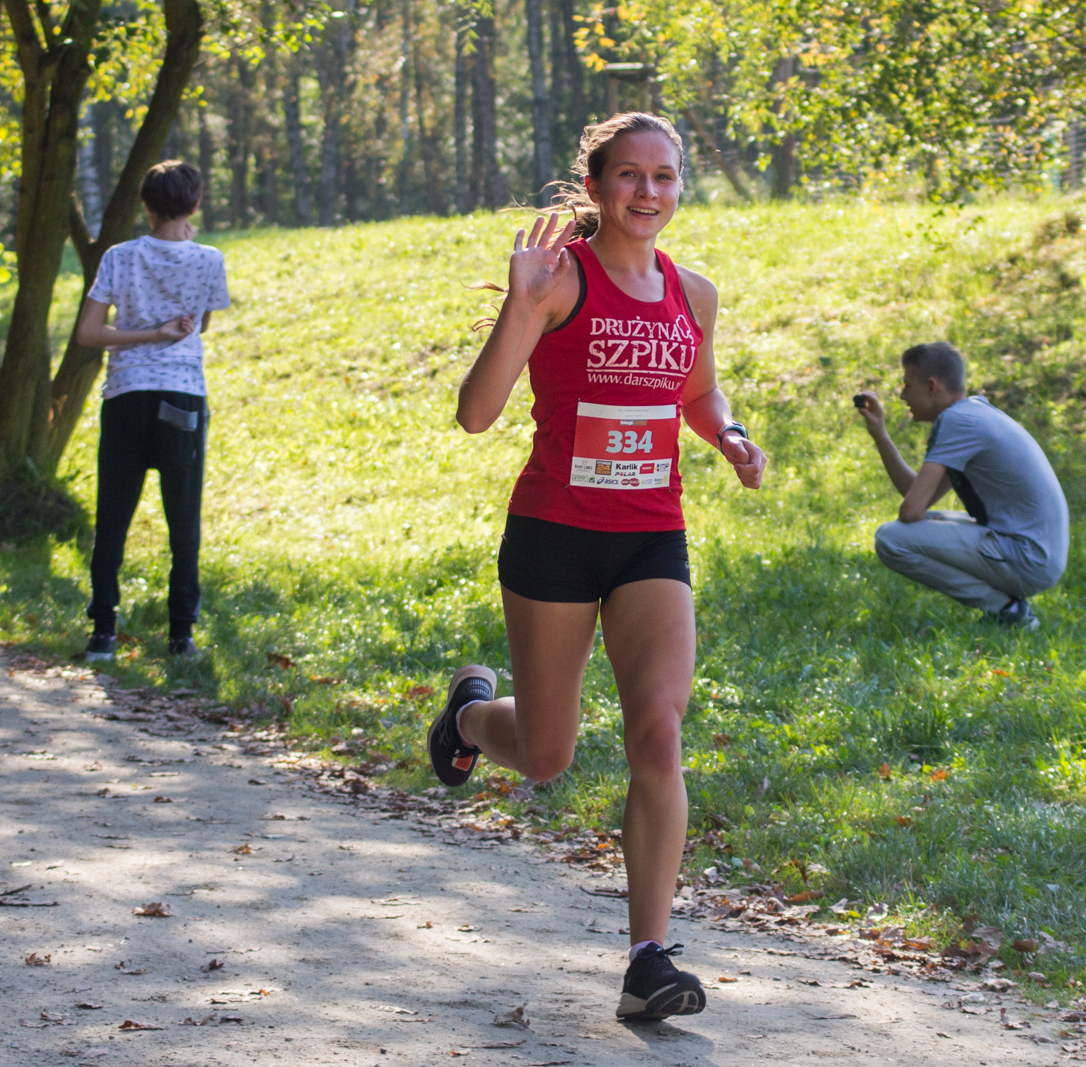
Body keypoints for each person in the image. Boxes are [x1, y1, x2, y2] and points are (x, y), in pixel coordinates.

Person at [429, 112, 767, 1022]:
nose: (648, 193)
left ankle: (646, 958)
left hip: (653, 535)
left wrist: (727, 432)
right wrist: (520, 305)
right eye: (630, 176)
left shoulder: (692, 293)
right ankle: (467, 714)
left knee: (658, 731)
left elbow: (695, 387)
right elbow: (475, 413)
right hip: (556, 532)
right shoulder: (558, 280)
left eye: (665, 177)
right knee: (547, 756)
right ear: (597, 184)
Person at [73, 160, 230, 661]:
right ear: (195, 206)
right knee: (183, 519)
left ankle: (103, 633)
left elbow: (89, 334)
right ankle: (181, 635)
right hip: (182, 395)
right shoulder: (209, 259)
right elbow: (199, 326)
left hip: (126, 395)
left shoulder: (119, 257)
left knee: (113, 514)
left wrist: (145, 334)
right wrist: (167, 332)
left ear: (145, 204)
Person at [855, 341, 1067, 629]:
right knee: (920, 523)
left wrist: (925, 517)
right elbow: (917, 495)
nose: (903, 395)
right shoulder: (972, 413)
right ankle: (1008, 608)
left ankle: (1006, 610)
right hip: (1037, 552)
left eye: (907, 385)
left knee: (891, 539)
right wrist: (880, 433)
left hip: (1029, 558)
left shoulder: (958, 422)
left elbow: (910, 512)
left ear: (931, 386)